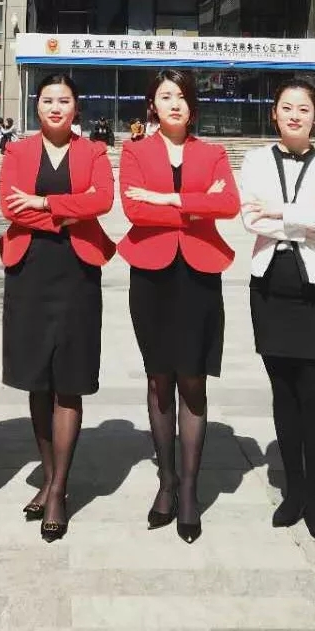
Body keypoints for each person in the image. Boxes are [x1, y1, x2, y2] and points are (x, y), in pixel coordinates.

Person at [118, 68, 241, 544]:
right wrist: (195, 202)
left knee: (192, 379)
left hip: (198, 275)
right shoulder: (135, 151)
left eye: (182, 96)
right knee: (159, 378)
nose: (174, 104)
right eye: (165, 96)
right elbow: (135, 210)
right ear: (153, 104)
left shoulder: (212, 153)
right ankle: (166, 480)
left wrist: (165, 197)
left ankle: (189, 489)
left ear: (193, 105)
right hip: (151, 274)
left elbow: (228, 205)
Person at [0, 73, 116, 542]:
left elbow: (102, 200)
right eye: (47, 99)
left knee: (68, 381)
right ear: (36, 104)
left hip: (78, 272)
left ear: (76, 107)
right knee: (37, 379)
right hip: (29, 272)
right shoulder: (17, 151)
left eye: (64, 100)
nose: (55, 107)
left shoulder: (94, 152)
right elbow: (11, 208)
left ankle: (59, 490)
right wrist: (68, 211)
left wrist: (44, 201)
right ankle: (49, 479)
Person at [241, 79, 315, 544]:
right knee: (283, 393)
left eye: (303, 108)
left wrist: (282, 212)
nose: (294, 115)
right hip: (271, 286)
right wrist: (306, 215)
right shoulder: (255, 161)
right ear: (274, 113)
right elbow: (251, 218)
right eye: (286, 107)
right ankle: (293, 491)